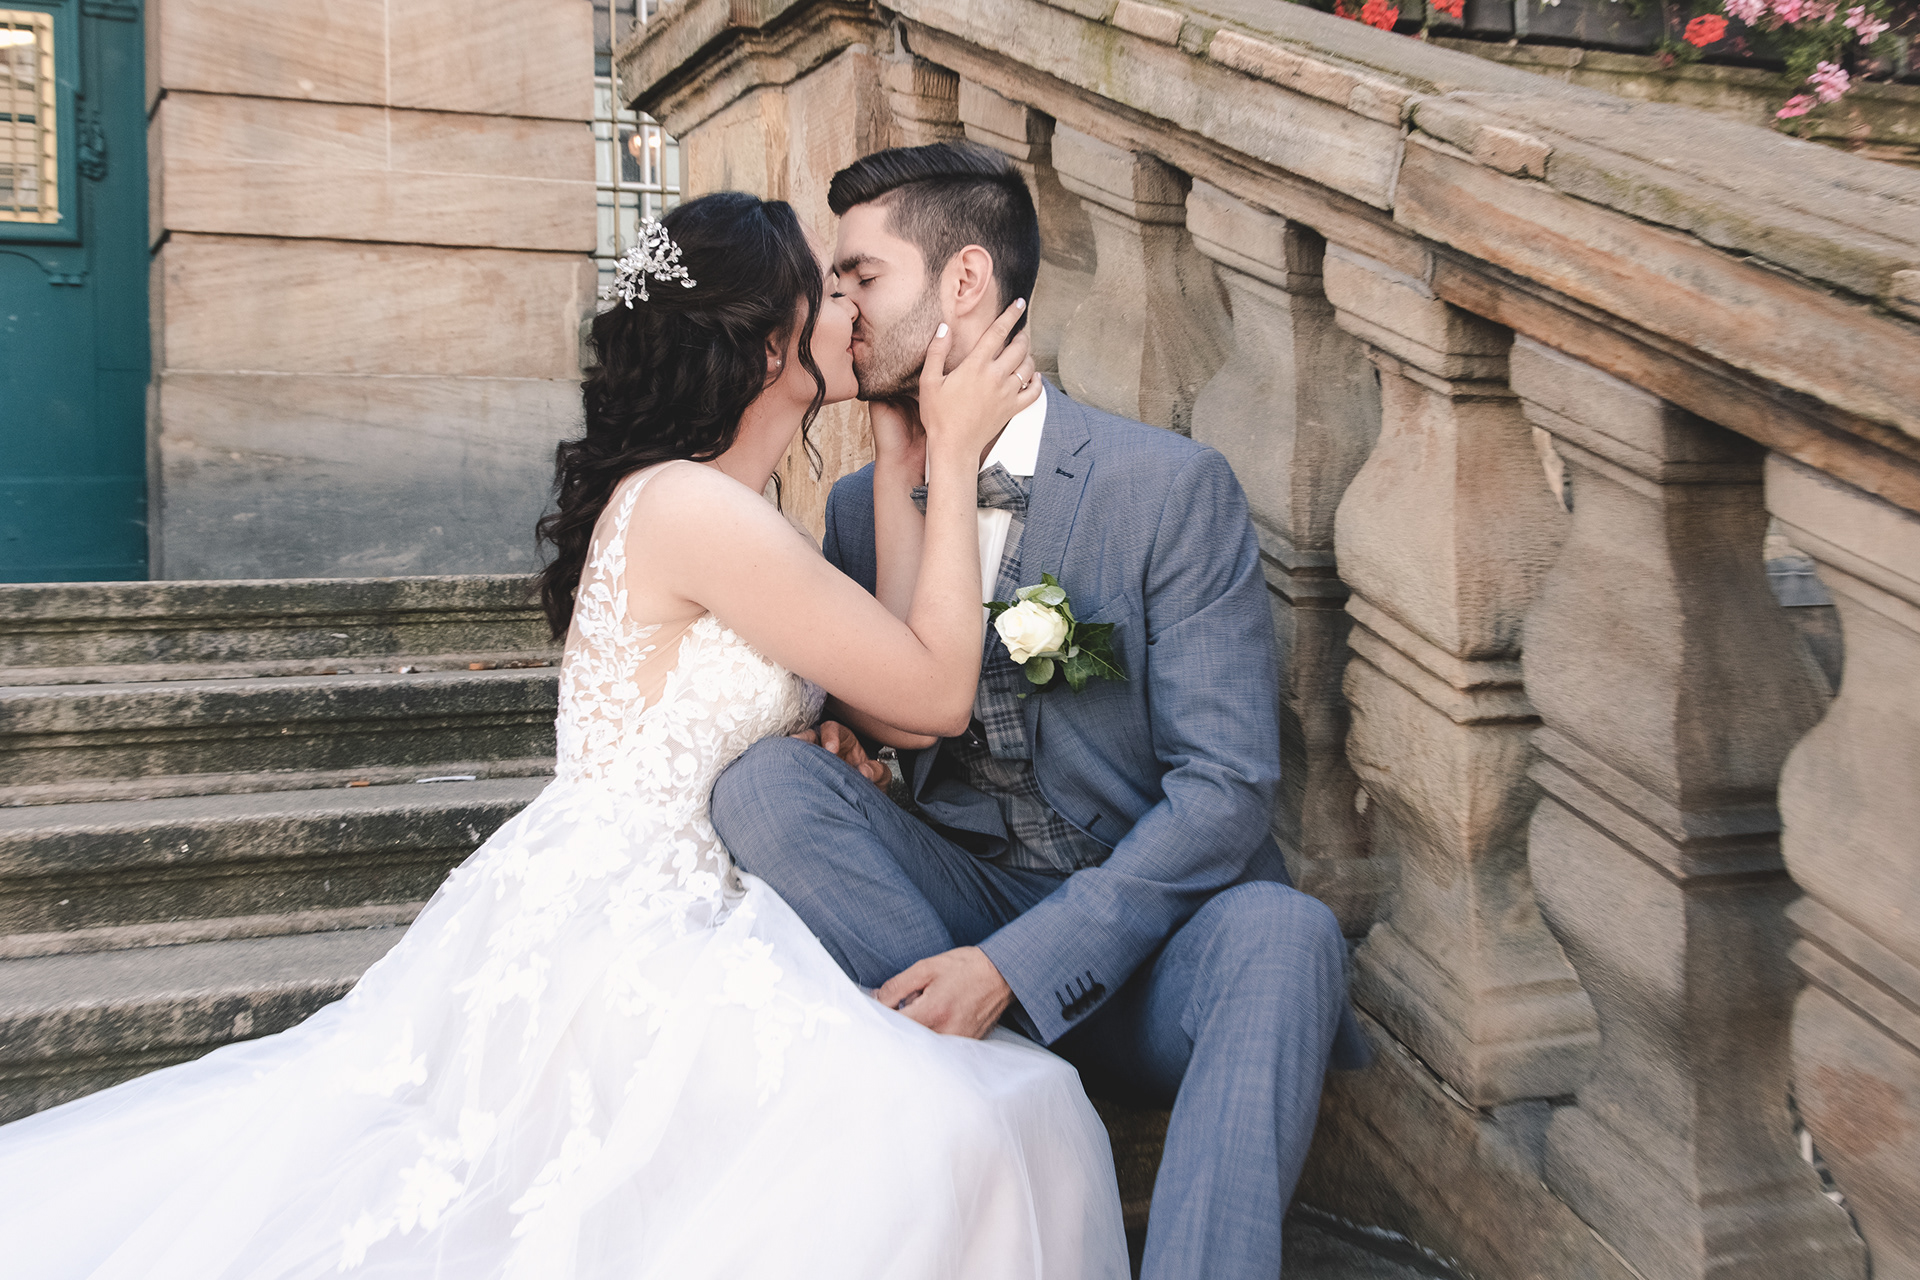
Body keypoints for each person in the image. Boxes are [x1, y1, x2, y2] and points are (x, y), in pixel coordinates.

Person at [0, 191, 1129, 1280]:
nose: (852, 308)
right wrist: (954, 447)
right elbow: (933, 695)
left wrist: (898, 458)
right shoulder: (693, 509)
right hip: (641, 921)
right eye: (826, 292)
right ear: (768, 347)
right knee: (959, 1119)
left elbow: (889, 684)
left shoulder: (706, 504)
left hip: (661, 889)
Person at [710, 142, 1370, 1280]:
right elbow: (879, 723)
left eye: (862, 277)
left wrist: (1015, 966)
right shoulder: (862, 508)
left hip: (1150, 948)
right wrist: (851, 752)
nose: (839, 311)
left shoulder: (1167, 488)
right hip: (948, 908)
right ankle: (994, 1084)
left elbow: (1225, 792)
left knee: (1287, 932)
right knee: (766, 783)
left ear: (964, 280)